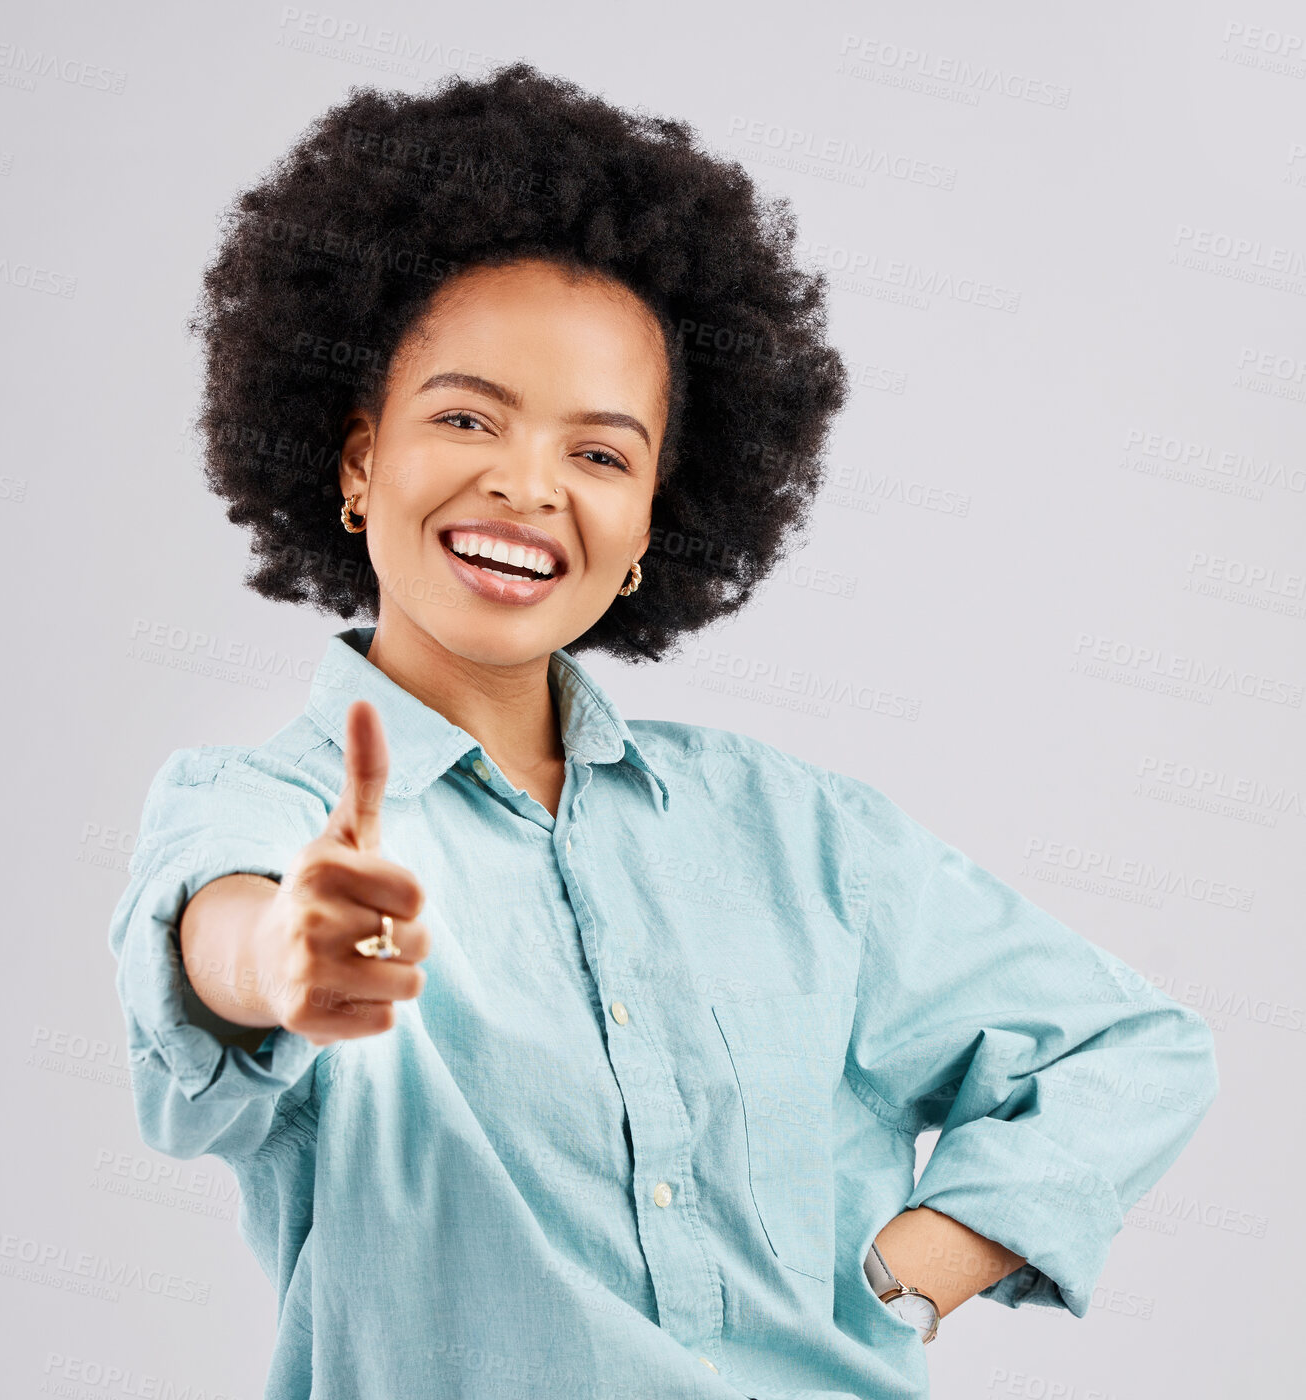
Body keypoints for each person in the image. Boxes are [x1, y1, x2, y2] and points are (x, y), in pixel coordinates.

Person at [108, 62, 1219, 1400]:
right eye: (467, 417)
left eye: (602, 453)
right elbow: (217, 935)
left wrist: (923, 1258)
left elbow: (1127, 1046)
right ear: (357, 461)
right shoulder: (267, 809)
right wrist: (289, 954)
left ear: (650, 529)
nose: (527, 485)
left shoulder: (793, 832)